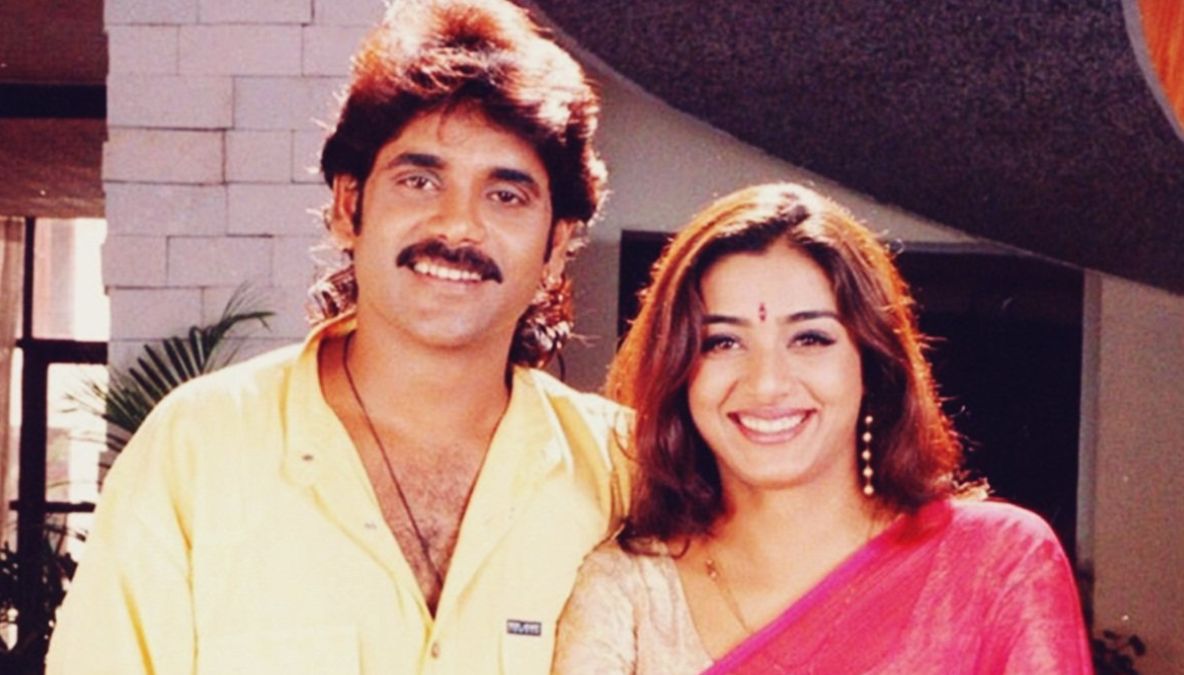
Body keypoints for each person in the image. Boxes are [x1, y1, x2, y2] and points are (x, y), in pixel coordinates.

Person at [47, 1, 627, 673]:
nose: (457, 226)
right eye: (419, 180)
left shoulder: (625, 475)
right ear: (349, 207)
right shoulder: (197, 450)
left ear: (556, 245)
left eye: (506, 196)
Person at [552, 183, 1092, 674]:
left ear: (872, 364)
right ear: (677, 371)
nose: (766, 383)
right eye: (722, 342)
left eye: (810, 339)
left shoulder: (993, 565)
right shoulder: (629, 594)